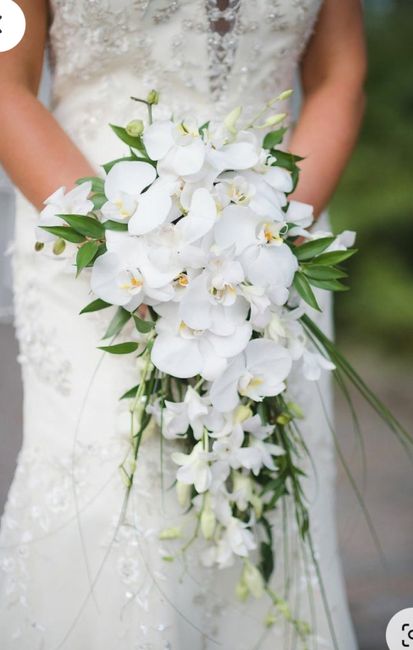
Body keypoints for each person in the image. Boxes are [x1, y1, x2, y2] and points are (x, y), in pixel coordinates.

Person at [0, 1, 366, 648]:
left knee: (261, 497)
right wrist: (120, 247)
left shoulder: (271, 239)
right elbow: (6, 82)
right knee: (107, 489)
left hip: (270, 237)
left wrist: (267, 239)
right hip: (89, 232)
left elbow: (339, 74)